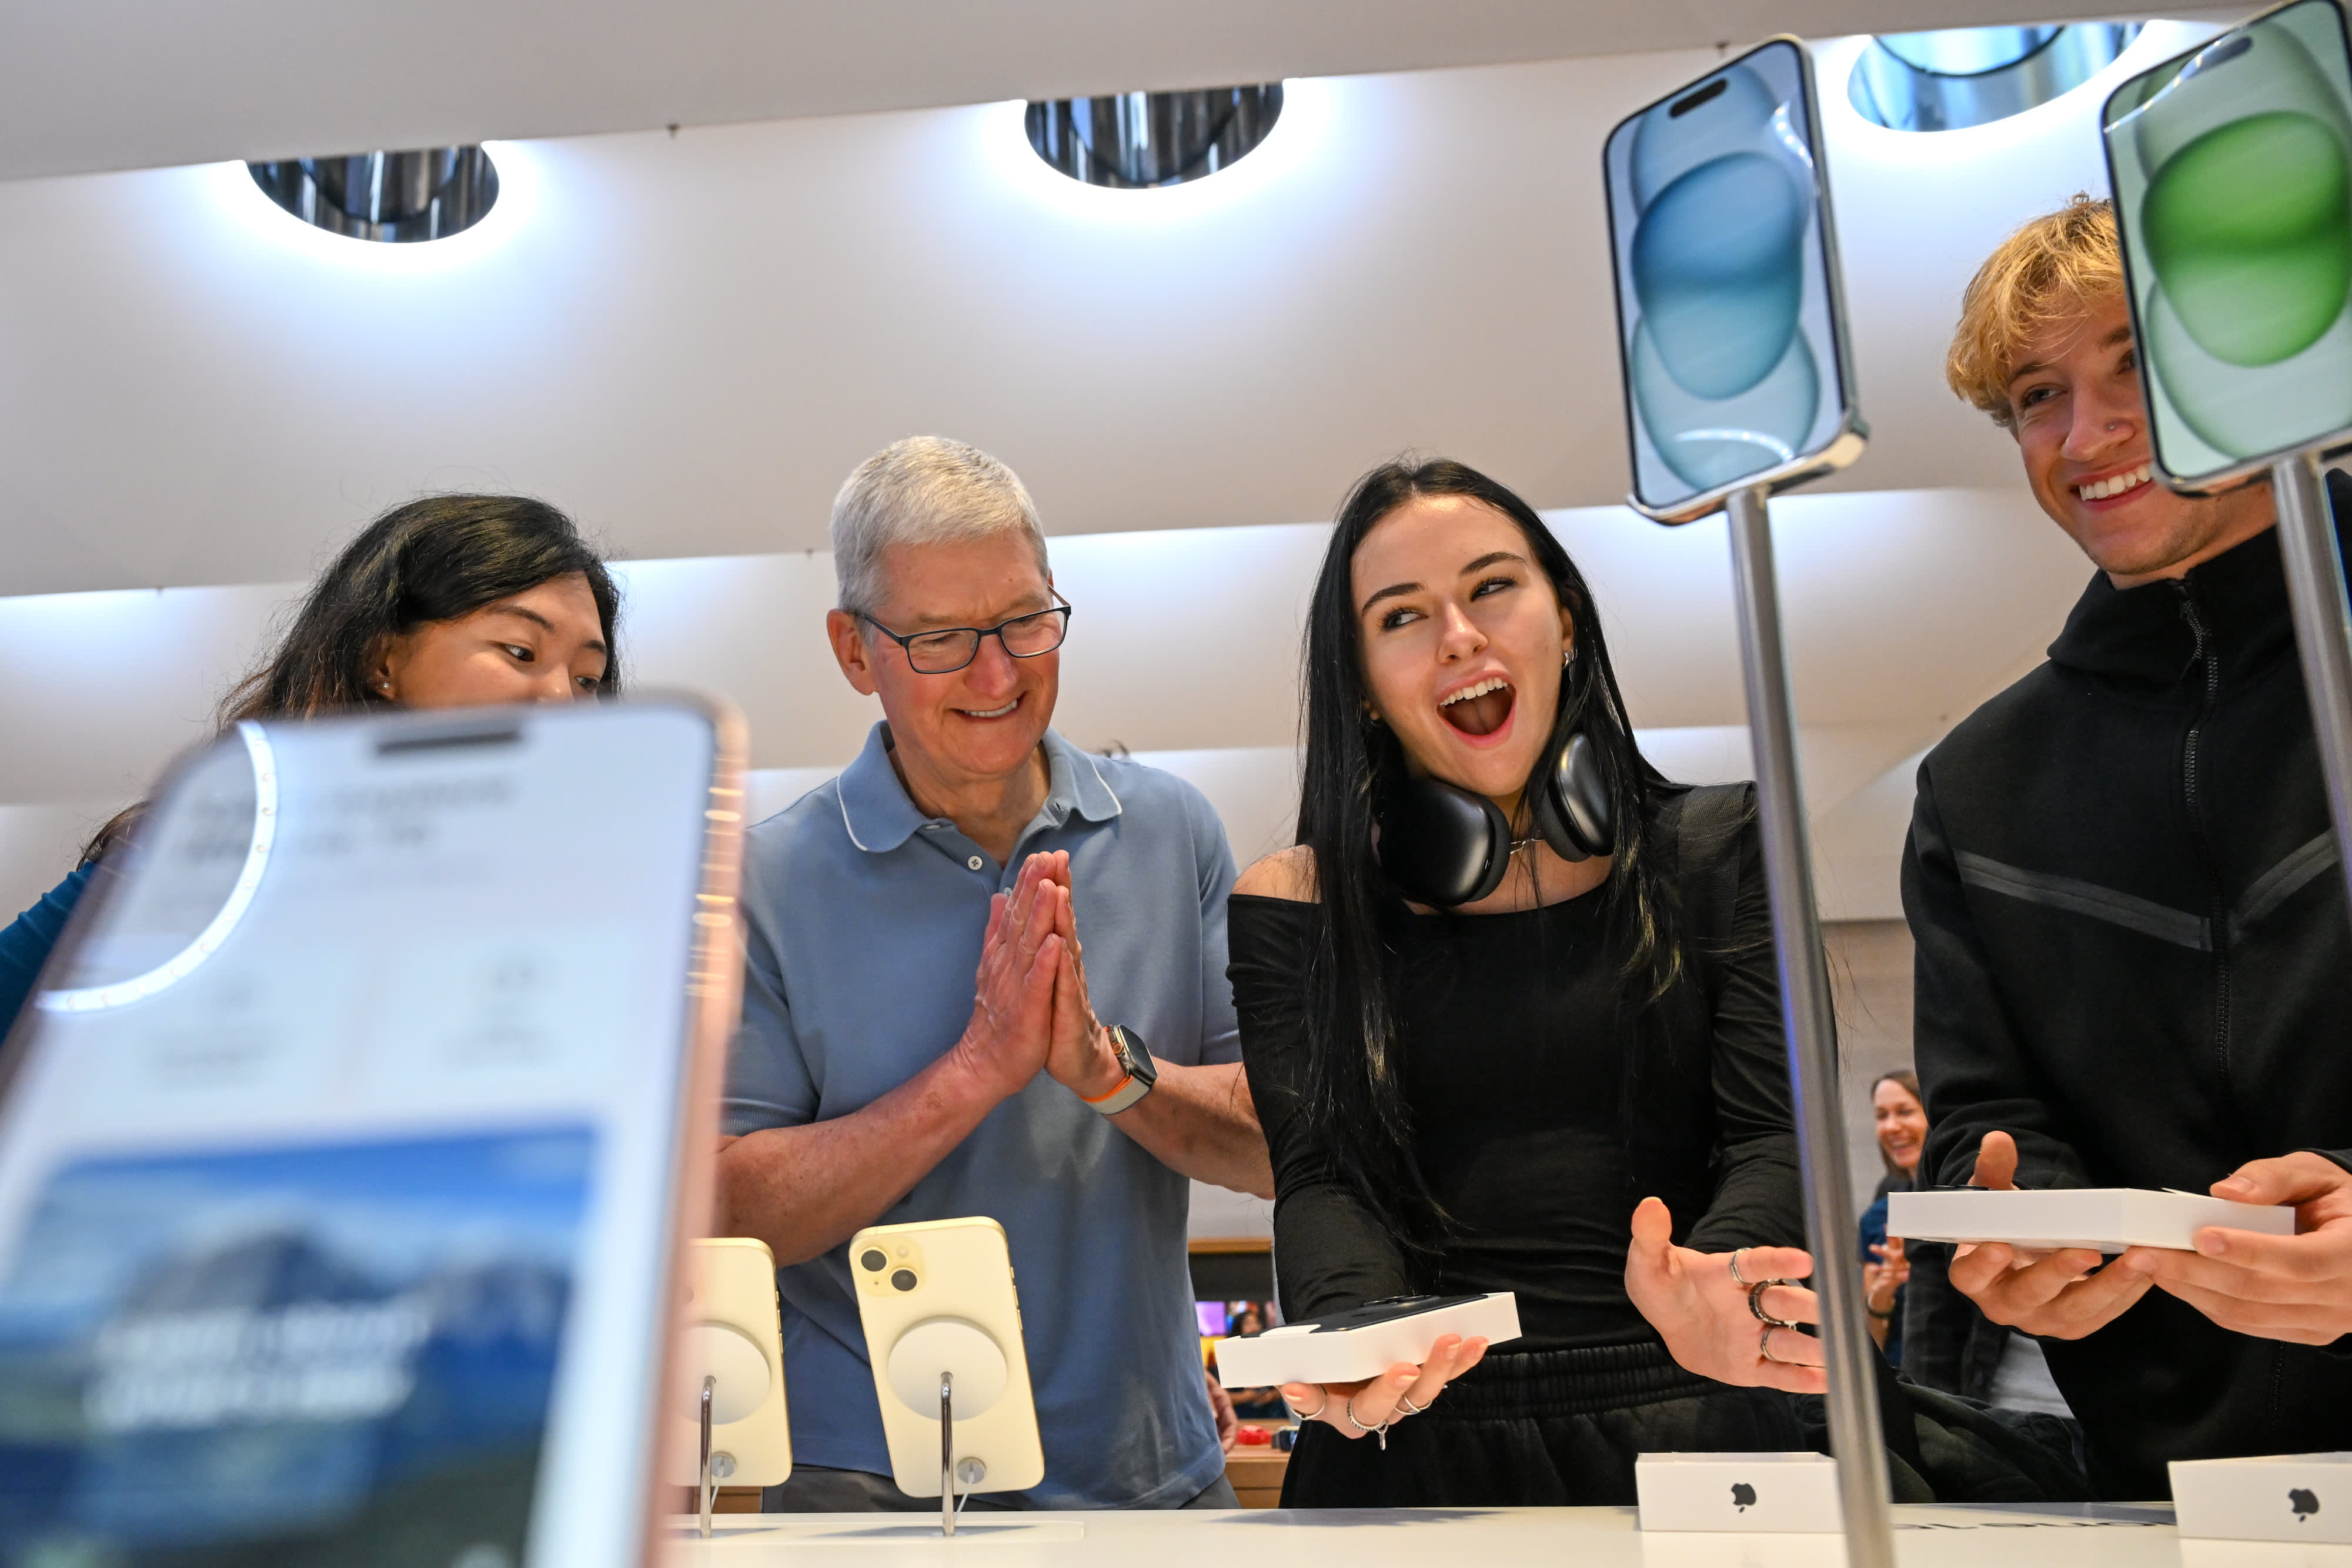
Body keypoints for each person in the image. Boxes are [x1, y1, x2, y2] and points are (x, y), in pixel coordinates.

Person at [1230, 457, 1829, 1507]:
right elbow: (1322, 1174)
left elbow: (1774, 1134)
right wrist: (1357, 1330)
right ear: (1365, 688)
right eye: (1403, 615)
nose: (1461, 633)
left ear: (1566, 620)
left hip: (1698, 1410)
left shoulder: (1724, 846)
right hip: (1413, 1441)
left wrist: (1718, 1278)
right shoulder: (1298, 900)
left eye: (1493, 586)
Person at [717, 436, 1272, 1512]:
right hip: (871, 1491)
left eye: (1025, 620)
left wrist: (1109, 1070)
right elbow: (734, 1211)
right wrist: (974, 1071)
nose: (997, 673)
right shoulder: (763, 878)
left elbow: (1270, 1148)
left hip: (1151, 1478)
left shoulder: (1171, 829)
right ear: (852, 649)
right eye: (939, 638)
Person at [1907, 195, 2352, 1500]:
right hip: (2170, 1494)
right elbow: (1982, 1115)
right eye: (2036, 395)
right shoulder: (1980, 783)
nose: (2083, 436)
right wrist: (2013, 1224)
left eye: (2131, 371)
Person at [0, 494, 620, 1037]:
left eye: (587, 680)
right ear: (383, 660)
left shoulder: (598, 894)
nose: (562, 701)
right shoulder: (202, 856)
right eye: (520, 651)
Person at [1858, 1071, 1924, 1363]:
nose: (1891, 1126)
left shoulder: (1971, 1204)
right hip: (1905, 1382)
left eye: (1905, 1112)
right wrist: (1883, 1293)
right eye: (1881, 1115)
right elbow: (1871, 1348)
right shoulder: (1877, 1217)